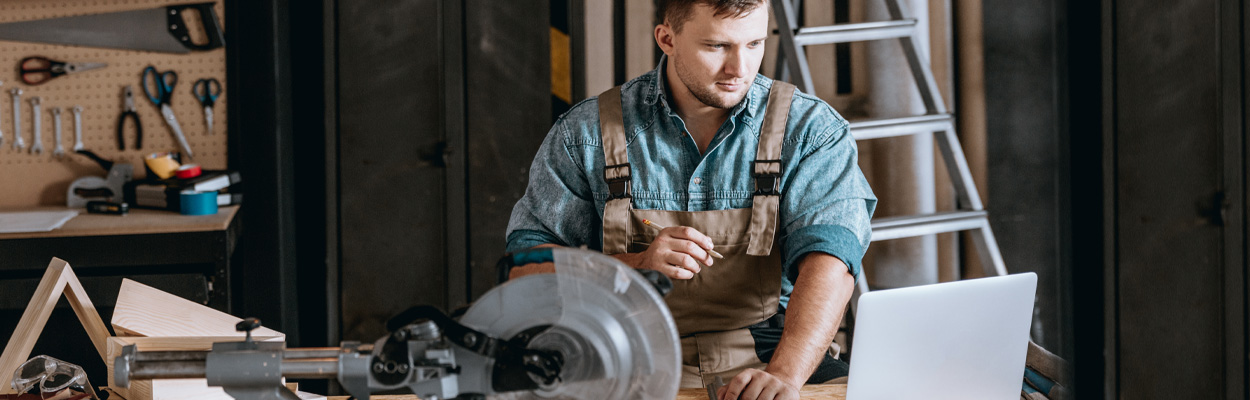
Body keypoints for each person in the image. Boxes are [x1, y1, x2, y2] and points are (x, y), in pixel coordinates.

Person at [505, 0, 876, 398]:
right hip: (620, 352)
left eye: (754, 44)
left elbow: (832, 265)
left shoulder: (810, 131)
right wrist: (635, 266)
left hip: (771, 354)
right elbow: (525, 271)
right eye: (717, 46)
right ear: (667, 39)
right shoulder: (585, 133)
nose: (740, 69)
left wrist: (785, 376)